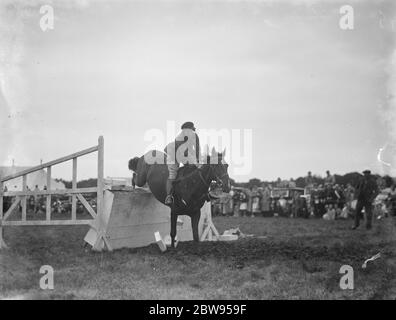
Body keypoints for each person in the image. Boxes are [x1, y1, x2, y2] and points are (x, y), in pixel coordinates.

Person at [163, 121, 201, 205]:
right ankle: (169, 196)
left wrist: (197, 162)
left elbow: (197, 149)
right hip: (173, 152)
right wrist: (188, 162)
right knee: (172, 174)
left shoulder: (195, 136)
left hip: (185, 152)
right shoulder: (179, 138)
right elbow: (181, 153)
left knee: (199, 168)